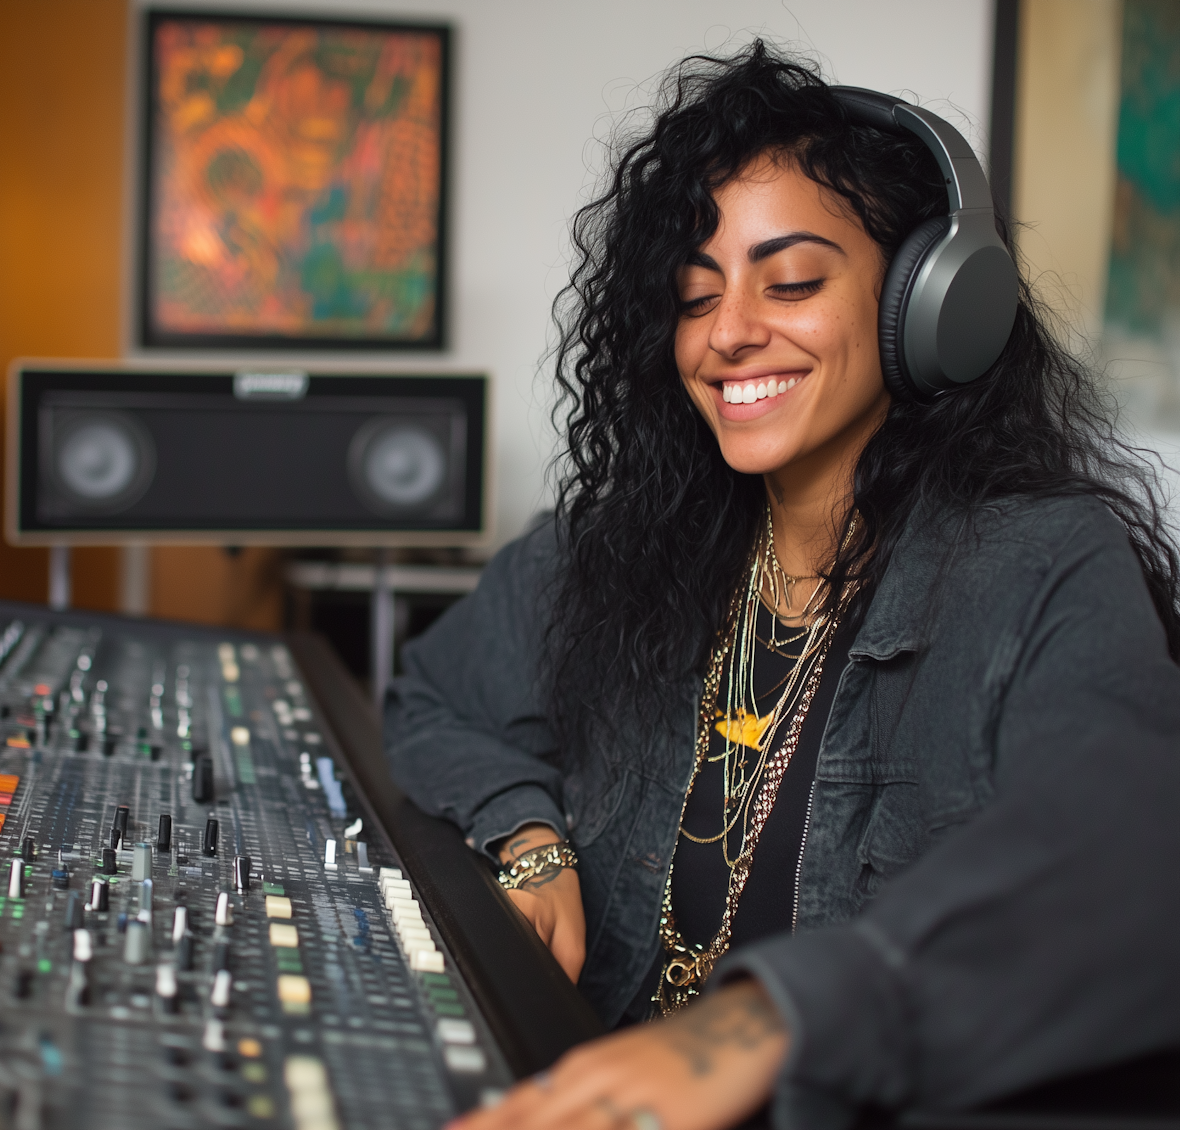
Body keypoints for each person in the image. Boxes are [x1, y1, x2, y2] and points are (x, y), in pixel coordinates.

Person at [384, 41, 1180, 1130]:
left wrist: (756, 1025)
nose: (730, 333)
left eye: (793, 280)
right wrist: (526, 832)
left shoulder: (1041, 565)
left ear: (928, 303)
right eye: (695, 295)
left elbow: (1133, 863)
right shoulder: (618, 546)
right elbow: (430, 699)